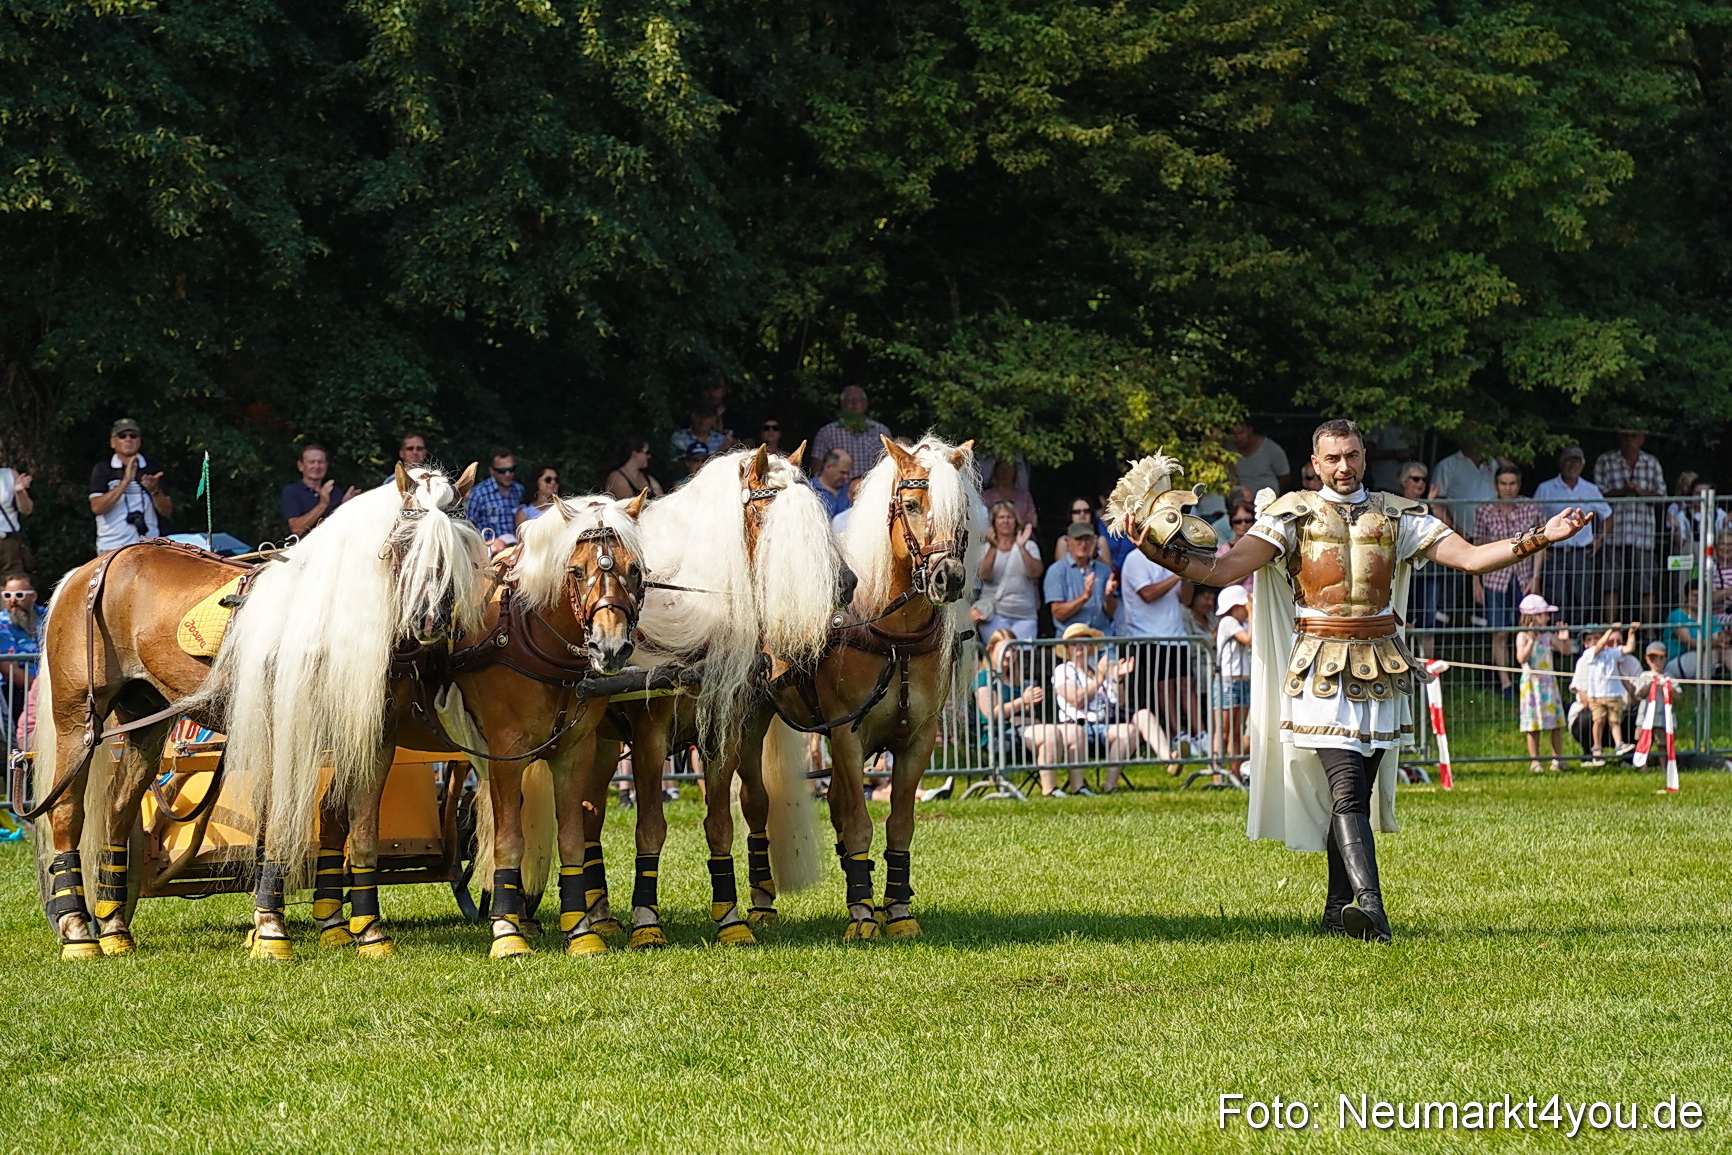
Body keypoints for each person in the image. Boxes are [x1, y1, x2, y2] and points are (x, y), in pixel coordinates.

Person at [1122, 417, 1590, 942]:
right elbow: (1227, 570)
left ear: (1364, 456)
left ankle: (1334, 912)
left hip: (1381, 669)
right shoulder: (1289, 515)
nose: (1343, 466)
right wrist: (1159, 553)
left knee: (1357, 799)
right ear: (1315, 463)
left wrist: (1541, 537)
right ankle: (1373, 912)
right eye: (1333, 458)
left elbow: (1474, 559)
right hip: (1317, 671)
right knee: (1346, 792)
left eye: (1351, 455)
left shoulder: (1399, 515)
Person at [1117, 536, 1205, 749]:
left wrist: (1186, 576)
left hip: (1176, 634)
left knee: (1186, 686)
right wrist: (1177, 574)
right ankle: (1178, 736)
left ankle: (1202, 736)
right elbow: (1147, 594)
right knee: (1165, 687)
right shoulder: (1134, 559)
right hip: (1147, 637)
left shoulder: (1172, 558)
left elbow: (1186, 600)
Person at [1473, 465, 1545, 696]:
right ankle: (1505, 683)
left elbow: (1541, 544)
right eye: (1503, 484)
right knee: (1499, 631)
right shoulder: (1485, 510)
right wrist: (1476, 581)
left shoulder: (1531, 507)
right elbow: (1476, 547)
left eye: (1512, 483)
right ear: (1496, 485)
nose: (1508, 488)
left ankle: (1529, 676)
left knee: (1527, 627)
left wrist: (1536, 577)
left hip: (1523, 575)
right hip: (1494, 577)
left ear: (1519, 484)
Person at [973, 630, 1073, 787]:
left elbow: (1030, 717)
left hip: (1021, 729)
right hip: (997, 735)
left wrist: (1027, 706)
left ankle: (1075, 786)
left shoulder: (1016, 680)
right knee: (1050, 733)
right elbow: (991, 714)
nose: (1008, 655)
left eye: (1012, 650)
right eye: (1004, 650)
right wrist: (1022, 701)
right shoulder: (984, 677)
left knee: (1062, 732)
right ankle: (1050, 789)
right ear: (991, 649)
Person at [1050, 625, 1139, 795]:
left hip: (1100, 725)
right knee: (1076, 732)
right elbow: (1075, 700)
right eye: (1074, 643)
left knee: (1128, 730)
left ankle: (1110, 785)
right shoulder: (1063, 670)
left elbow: (1113, 703)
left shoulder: (1097, 671)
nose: (1080, 646)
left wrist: (1118, 680)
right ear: (1068, 648)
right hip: (1075, 724)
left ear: (1091, 647)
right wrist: (1099, 678)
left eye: (1085, 641)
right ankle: (1078, 787)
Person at [1593, 430, 1665, 623]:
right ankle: (1611, 629)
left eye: (1634, 436)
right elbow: (1597, 496)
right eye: (1625, 436)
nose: (1629, 440)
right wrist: (1623, 491)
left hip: (1643, 533)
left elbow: (1662, 498)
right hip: (1613, 533)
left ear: (1642, 438)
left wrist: (1640, 492)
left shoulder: (1652, 463)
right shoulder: (1605, 461)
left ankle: (1649, 632)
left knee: (1646, 584)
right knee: (1610, 584)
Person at [1534, 445, 1611, 621]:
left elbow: (1607, 514)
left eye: (1576, 461)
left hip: (1581, 553)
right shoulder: (1545, 488)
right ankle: (1556, 637)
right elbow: (1534, 518)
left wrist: (1600, 539)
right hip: (1554, 552)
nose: (1572, 465)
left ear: (1583, 465)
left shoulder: (1590, 489)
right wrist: (1538, 545)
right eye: (1569, 461)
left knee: (1582, 597)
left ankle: (1578, 638)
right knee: (1555, 596)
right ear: (1561, 463)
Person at [89, 417, 172, 553]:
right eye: (122, 436)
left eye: (133, 436)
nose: (128, 439)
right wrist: (125, 482)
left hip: (148, 546)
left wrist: (155, 491)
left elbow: (167, 512)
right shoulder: (103, 469)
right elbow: (97, 507)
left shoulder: (152, 468)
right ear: (113, 442)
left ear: (139, 441)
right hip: (112, 547)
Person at [1513, 593, 1571, 773]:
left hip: (1548, 683)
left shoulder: (1547, 635)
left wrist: (1564, 637)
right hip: (1532, 684)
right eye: (1543, 614)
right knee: (1533, 724)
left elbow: (1566, 651)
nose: (1547, 618)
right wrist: (1532, 640)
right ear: (1532, 617)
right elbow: (1521, 658)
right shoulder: (1522, 636)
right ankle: (1535, 761)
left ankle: (1557, 759)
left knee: (1555, 723)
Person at [972, 501, 1043, 640]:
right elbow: (984, 575)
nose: (1005, 521)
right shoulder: (985, 549)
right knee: (998, 657)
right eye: (1001, 517)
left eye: (1009, 517)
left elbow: (1035, 573)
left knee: (1022, 659)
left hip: (1025, 616)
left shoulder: (1029, 546)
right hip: (995, 615)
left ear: (1016, 521)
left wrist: (1021, 547)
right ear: (994, 522)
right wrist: (993, 547)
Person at [1577, 624, 1639, 764]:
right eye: (1590, 639)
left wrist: (1631, 633)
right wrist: (1611, 630)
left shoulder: (1611, 653)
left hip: (1613, 695)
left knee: (1614, 722)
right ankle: (1597, 748)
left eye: (1597, 638)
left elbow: (1629, 648)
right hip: (1597, 696)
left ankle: (1619, 744)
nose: (1595, 641)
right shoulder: (1589, 654)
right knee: (1598, 721)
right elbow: (1598, 647)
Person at [1044, 522, 1117, 634]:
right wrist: (1085, 597)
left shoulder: (1104, 570)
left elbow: (1110, 612)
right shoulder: (1056, 571)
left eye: (1087, 539)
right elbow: (1058, 613)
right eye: (1078, 539)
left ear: (1094, 541)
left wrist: (1109, 596)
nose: (1083, 544)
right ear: (1068, 541)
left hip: (1102, 639)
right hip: (1070, 642)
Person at [810, 386, 892, 482]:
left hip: (873, 489)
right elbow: (816, 470)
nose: (854, 403)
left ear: (865, 404)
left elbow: (890, 466)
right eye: (849, 400)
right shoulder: (827, 432)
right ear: (842, 404)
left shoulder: (881, 432)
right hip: (837, 493)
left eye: (858, 400)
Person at [282, 444, 360, 537]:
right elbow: (297, 529)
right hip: (304, 550)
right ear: (300, 466)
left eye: (321, 462)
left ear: (326, 465)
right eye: (311, 462)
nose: (317, 466)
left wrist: (344, 505)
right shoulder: (292, 491)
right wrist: (322, 504)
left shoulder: (334, 492)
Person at [1214, 584, 1252, 773]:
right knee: (1224, 732)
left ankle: (1234, 773)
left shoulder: (1241, 624)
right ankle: (1217, 774)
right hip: (1228, 683)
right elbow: (1249, 639)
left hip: (1243, 682)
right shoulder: (1227, 621)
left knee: (1237, 732)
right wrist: (1252, 613)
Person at [1430, 440, 1498, 535]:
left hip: (1494, 535)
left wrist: (1498, 453)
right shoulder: (1447, 465)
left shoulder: (1494, 463)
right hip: (1461, 536)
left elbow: (1513, 475)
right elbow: (1437, 502)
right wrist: (1454, 530)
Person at [467, 446, 524, 554]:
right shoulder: (479, 493)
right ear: (491, 470)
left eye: (511, 469)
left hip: (515, 552)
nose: (508, 474)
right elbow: (468, 527)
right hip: (489, 553)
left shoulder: (519, 490)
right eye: (502, 471)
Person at [1227, 420, 1291, 496]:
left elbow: (1284, 476)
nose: (1237, 438)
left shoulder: (1272, 449)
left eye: (1241, 433)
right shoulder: (1228, 449)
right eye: (1233, 434)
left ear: (1250, 430)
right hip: (1239, 500)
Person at [0, 438, 33, 580]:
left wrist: (20, 492)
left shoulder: (9, 474)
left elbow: (27, 510)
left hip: (8, 543)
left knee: (12, 591)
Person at [980, 457, 1037, 532]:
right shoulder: (987, 496)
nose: (1005, 472)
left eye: (1009, 468)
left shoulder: (1024, 496)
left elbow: (1032, 521)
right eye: (1001, 469)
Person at [604, 435, 666, 501]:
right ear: (634, 453)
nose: (649, 456)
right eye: (646, 452)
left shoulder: (648, 478)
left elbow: (662, 500)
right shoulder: (616, 477)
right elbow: (630, 505)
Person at [1050, 497, 1112, 565]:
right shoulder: (1064, 541)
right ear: (1071, 516)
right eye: (1077, 512)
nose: (1082, 514)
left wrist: (1095, 555)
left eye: (1086, 511)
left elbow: (1108, 571)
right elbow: (1061, 570)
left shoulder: (1100, 540)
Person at [515, 465, 561, 532]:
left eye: (556, 480)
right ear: (536, 482)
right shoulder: (524, 512)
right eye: (548, 480)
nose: (553, 482)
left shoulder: (563, 509)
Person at [811, 448, 853, 520]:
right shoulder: (809, 489)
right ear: (828, 467)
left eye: (847, 473)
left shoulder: (849, 490)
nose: (846, 477)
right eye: (842, 472)